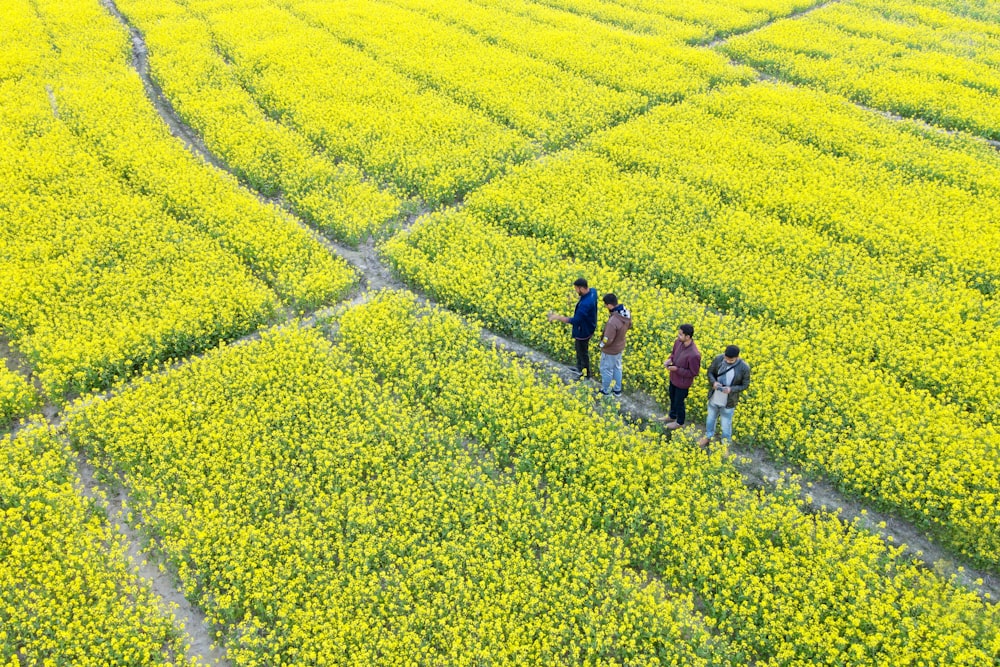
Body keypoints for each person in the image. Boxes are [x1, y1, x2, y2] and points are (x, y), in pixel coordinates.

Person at [698, 345, 750, 447]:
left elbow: (745, 385)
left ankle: (725, 444)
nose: (727, 361)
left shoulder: (744, 367)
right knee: (710, 419)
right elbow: (710, 373)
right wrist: (713, 383)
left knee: (726, 424)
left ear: (737, 357)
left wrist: (731, 389)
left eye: (730, 360)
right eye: (726, 358)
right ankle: (708, 436)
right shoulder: (719, 359)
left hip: (728, 401)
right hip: (714, 397)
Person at [547, 278, 598, 379]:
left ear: (582, 289)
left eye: (576, 290)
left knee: (582, 352)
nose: (575, 291)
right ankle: (579, 368)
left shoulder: (585, 305)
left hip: (583, 330)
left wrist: (557, 317)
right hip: (590, 325)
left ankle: (586, 374)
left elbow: (575, 321)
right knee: (579, 349)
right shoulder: (593, 292)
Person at [661, 324, 701, 430]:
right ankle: (672, 416)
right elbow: (674, 354)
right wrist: (669, 360)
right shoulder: (678, 342)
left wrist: (677, 369)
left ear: (688, 337)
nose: (678, 336)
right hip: (673, 378)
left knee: (679, 402)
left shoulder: (694, 354)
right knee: (672, 398)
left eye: (680, 334)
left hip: (683, 383)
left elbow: (693, 373)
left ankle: (680, 422)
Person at [596, 293, 631, 398]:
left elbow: (608, 339)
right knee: (617, 368)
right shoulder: (626, 313)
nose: (605, 307)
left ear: (610, 305)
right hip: (620, 346)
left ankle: (606, 391)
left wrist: (601, 345)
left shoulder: (613, 321)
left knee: (606, 369)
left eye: (605, 305)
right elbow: (630, 326)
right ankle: (617, 390)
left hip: (610, 350)